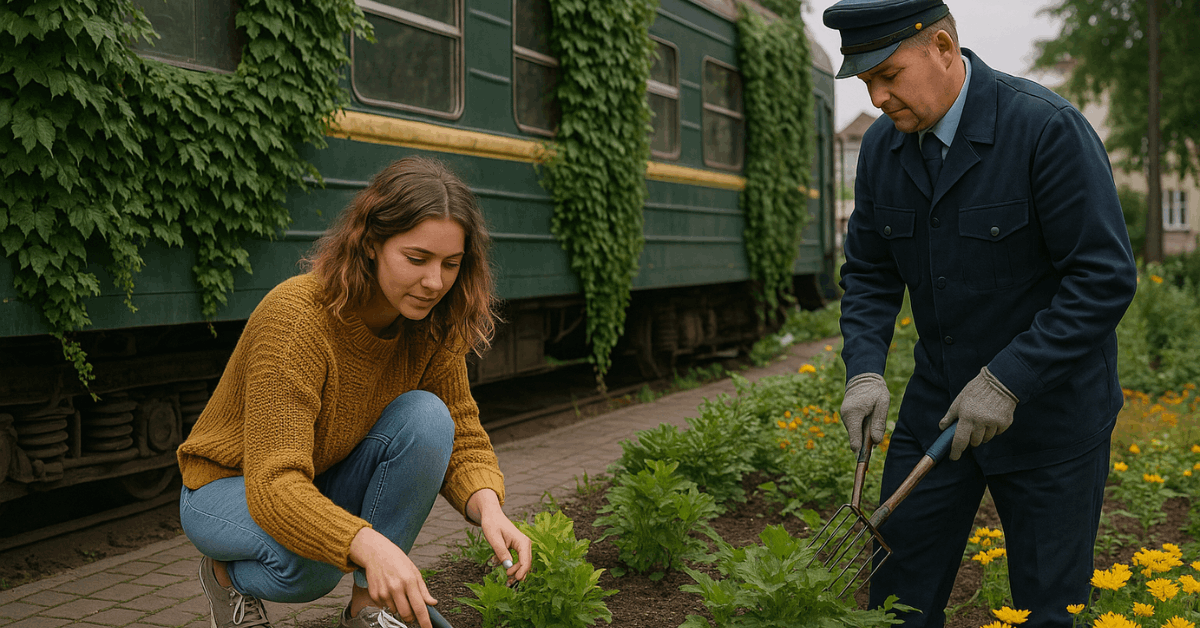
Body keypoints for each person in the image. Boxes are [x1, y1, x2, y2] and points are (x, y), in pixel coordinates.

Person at [822, 1, 1138, 625]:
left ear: (942, 48)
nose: (878, 96)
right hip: (936, 407)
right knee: (896, 603)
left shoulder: (1045, 129)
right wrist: (863, 370)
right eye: (865, 84)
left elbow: (1103, 278)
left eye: (889, 75)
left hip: (1053, 414)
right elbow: (869, 273)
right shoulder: (884, 151)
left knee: (1048, 610)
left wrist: (1009, 378)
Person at [176, 156, 532, 628]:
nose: (434, 283)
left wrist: (490, 508)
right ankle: (223, 575)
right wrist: (369, 544)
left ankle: (370, 610)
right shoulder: (297, 319)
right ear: (370, 245)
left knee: (428, 416)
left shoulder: (432, 323)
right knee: (315, 563)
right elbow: (275, 483)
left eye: (451, 264)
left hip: (317, 475)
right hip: (226, 486)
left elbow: (461, 428)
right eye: (416, 259)